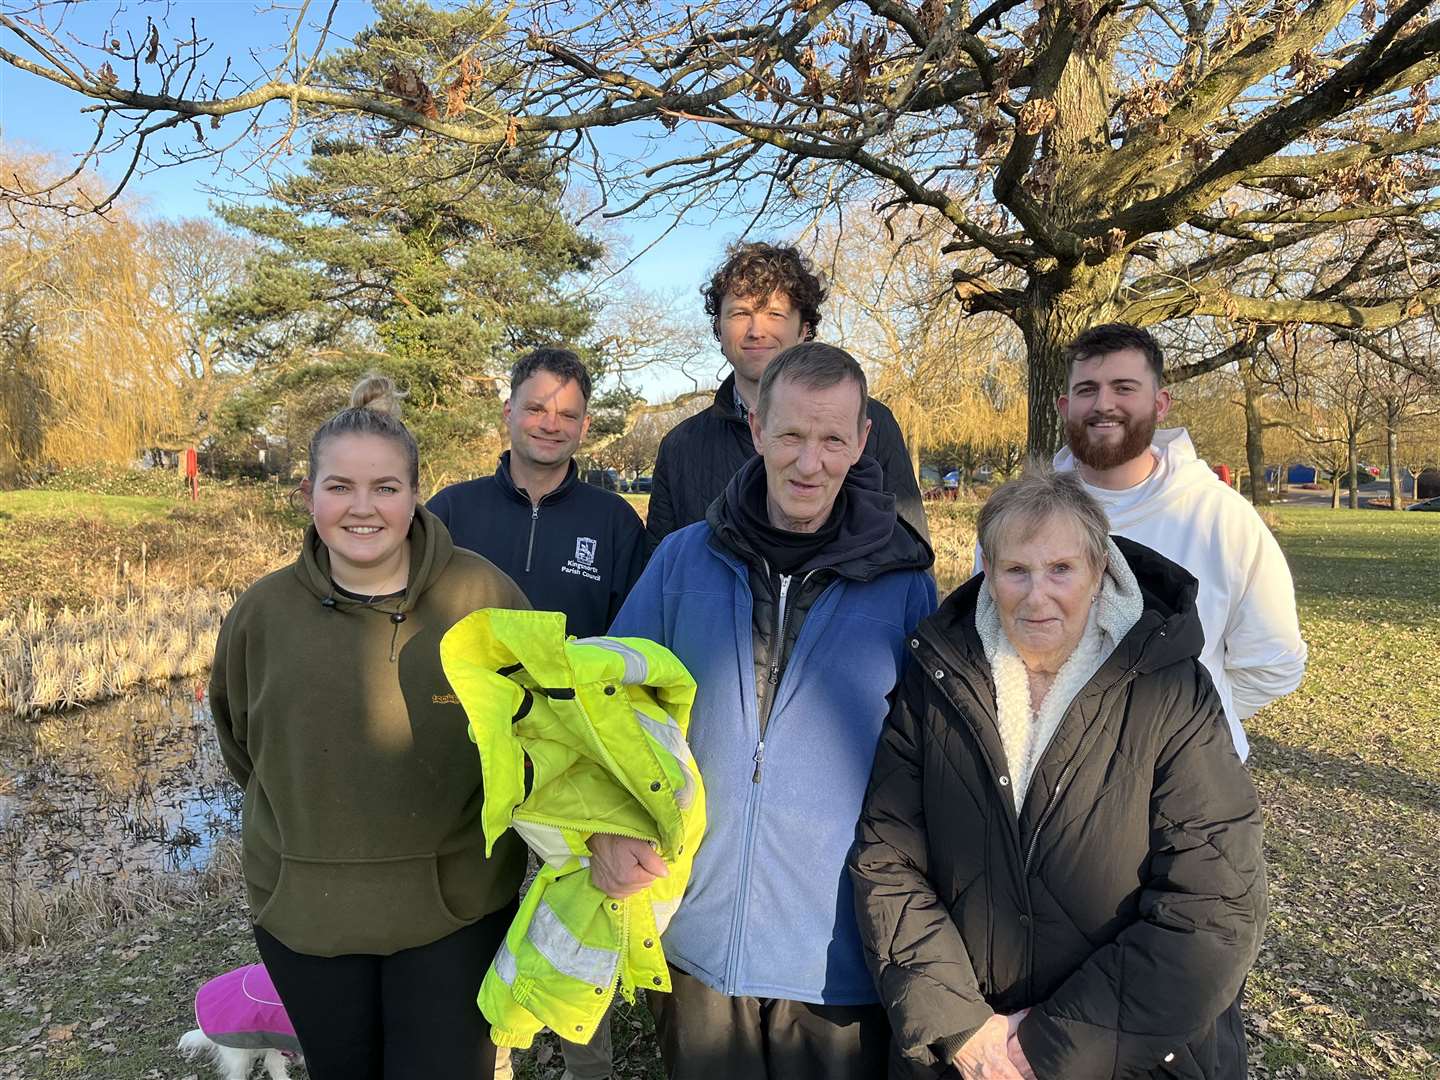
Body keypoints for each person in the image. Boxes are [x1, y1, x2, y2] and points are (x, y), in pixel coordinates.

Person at [851, 464, 1267, 1080]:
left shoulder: (1171, 689)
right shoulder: (936, 680)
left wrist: (1044, 1049)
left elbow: (1214, 902)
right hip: (964, 1054)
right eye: (1016, 570)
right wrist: (962, 1026)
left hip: (1129, 1059)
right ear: (987, 575)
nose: (1036, 594)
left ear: (1100, 572)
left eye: (1061, 570)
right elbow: (888, 861)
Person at [601, 343, 938, 1079]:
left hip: (836, 957)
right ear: (756, 429)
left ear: (861, 442)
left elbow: (932, 769)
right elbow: (610, 713)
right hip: (694, 933)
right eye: (790, 435)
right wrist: (604, 829)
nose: (809, 462)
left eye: (831, 440)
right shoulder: (684, 559)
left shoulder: (906, 583)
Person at [209, 374, 530, 1080]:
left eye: (385, 487)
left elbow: (534, 741)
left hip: (456, 914)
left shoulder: (484, 596)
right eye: (339, 487)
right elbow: (242, 743)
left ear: (416, 492)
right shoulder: (260, 614)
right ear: (307, 494)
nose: (363, 509)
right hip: (304, 914)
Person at [1053, 322, 1307, 759]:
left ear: (1160, 403)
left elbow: (1272, 663)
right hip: (1054, 773)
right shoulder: (1020, 520)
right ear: (1064, 406)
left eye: (1124, 387)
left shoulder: (1219, 516)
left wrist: (1190, 722)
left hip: (1185, 779)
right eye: (1087, 390)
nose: (1104, 404)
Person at [645, 240, 929, 551]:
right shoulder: (680, 446)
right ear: (718, 327)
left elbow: (910, 557)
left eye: (774, 314)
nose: (756, 330)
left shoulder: (872, 425)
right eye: (740, 313)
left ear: (804, 328)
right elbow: (659, 572)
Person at [429, 347, 646, 640]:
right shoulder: (450, 510)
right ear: (509, 412)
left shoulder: (616, 523)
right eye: (536, 409)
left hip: (576, 687)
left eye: (568, 415)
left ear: (584, 426)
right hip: (455, 687)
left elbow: (633, 638)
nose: (550, 425)